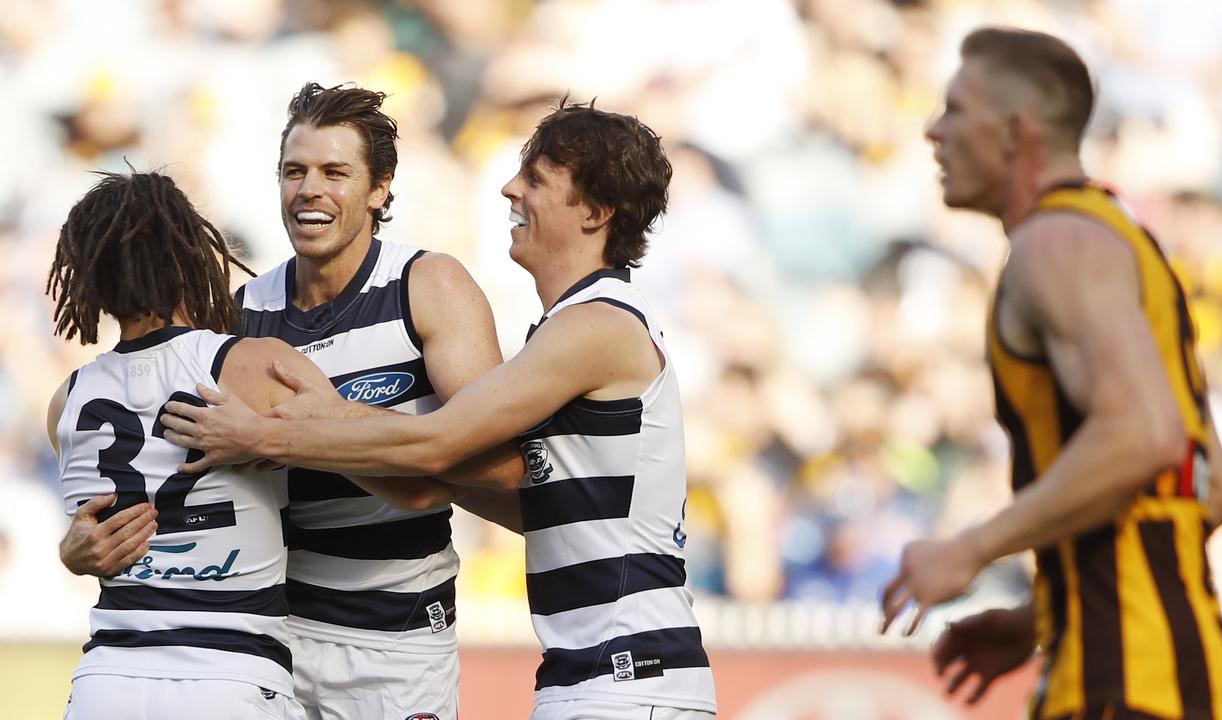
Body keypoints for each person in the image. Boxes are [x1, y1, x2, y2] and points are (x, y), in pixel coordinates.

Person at [161, 99, 718, 720]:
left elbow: (440, 446)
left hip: (626, 674)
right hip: (588, 672)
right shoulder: (575, 324)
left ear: (594, 211)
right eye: (294, 170)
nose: (510, 189)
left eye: (535, 180)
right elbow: (473, 483)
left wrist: (282, 432)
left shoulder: (594, 325)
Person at [60, 83, 524, 720]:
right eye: (294, 171)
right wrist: (75, 549)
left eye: (336, 173)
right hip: (269, 638)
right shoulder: (240, 314)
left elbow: (498, 470)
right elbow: (151, 459)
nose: (310, 189)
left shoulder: (429, 285)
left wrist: (290, 436)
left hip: (394, 636)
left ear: (380, 188)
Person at [877, 27, 1222, 720]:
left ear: (1016, 132)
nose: (932, 130)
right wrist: (1042, 612)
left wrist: (972, 547)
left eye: (955, 109)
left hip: (1119, 688)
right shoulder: (1121, 240)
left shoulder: (1055, 244)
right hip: (1184, 677)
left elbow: (1143, 437)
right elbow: (1210, 490)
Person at [46, 170, 336, 719]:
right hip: (230, 673)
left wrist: (69, 553)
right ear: (189, 255)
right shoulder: (255, 364)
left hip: (107, 679)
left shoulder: (66, 401)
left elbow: (91, 530)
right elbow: (373, 449)